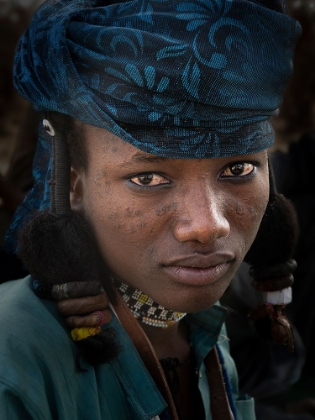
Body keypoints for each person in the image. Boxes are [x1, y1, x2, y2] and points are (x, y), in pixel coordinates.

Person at [0, 0, 300, 419]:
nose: (208, 225)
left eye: (238, 168)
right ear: (72, 183)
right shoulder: (12, 358)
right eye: (148, 178)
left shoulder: (205, 334)